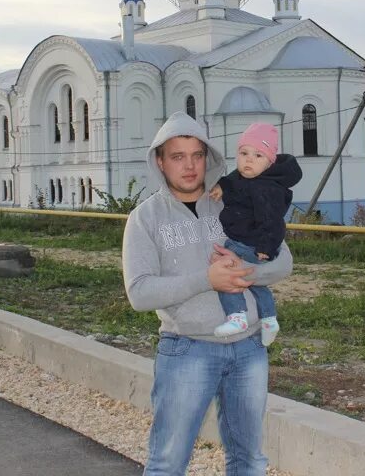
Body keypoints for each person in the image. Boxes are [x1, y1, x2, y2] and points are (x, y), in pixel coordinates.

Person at [122, 111, 294, 476]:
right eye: (177, 156)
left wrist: (245, 273)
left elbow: (283, 264)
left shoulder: (232, 199)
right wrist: (208, 279)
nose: (189, 166)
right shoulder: (145, 218)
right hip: (187, 349)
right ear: (160, 161)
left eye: (197, 155)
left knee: (249, 461)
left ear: (209, 158)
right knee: (168, 462)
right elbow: (139, 293)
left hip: (249, 348)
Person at [209, 123, 302, 345]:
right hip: (248, 239)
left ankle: (237, 315)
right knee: (256, 282)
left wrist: (265, 247)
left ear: (270, 163)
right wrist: (222, 186)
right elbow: (233, 181)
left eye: (258, 155)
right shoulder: (247, 177)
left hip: (251, 243)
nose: (249, 160)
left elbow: (273, 221)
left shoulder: (267, 189)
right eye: (244, 153)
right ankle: (269, 319)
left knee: (227, 270)